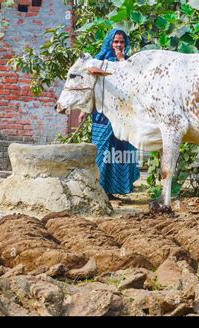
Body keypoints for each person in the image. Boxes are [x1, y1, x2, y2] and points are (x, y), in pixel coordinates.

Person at [77, 29, 140, 200]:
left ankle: (112, 191)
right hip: (102, 116)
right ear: (109, 43)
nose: (119, 45)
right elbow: (91, 86)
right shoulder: (99, 63)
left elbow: (132, 82)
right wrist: (84, 109)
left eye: (122, 42)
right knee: (101, 151)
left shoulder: (128, 63)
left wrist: (121, 60)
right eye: (115, 42)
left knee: (119, 152)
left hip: (123, 117)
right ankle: (97, 189)